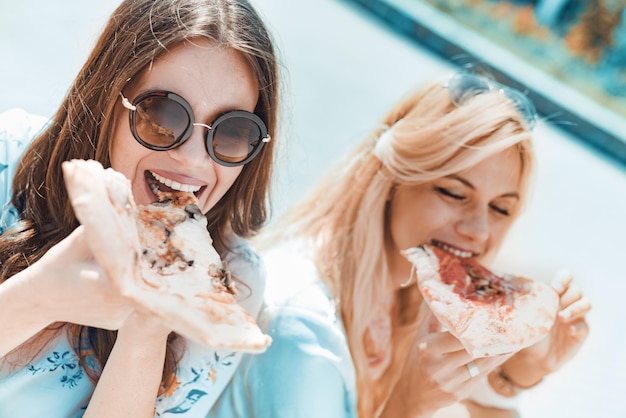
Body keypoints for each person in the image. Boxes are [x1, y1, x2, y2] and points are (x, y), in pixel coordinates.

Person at [230, 70, 591, 418]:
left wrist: (524, 368)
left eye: (500, 208)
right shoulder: (301, 326)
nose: (479, 230)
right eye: (454, 193)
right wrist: (409, 405)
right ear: (392, 179)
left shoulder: (400, 296)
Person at [0, 0, 280, 417]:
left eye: (233, 132)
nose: (194, 160)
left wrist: (151, 321)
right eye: (162, 114)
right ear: (107, 99)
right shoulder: (9, 158)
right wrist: (39, 298)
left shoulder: (233, 287)